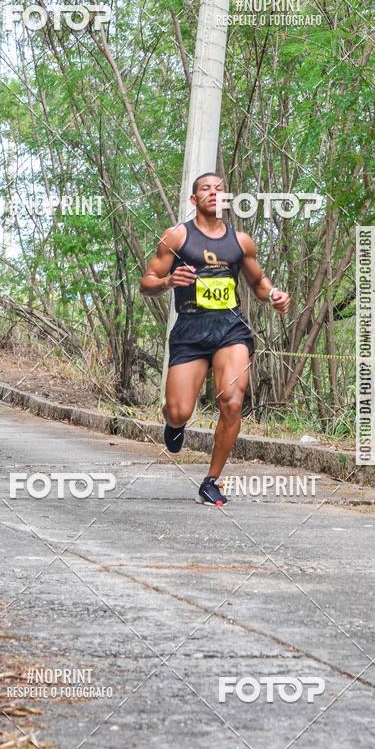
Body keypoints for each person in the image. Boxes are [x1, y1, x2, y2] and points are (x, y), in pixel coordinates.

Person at [140, 173, 290, 506]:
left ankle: (212, 480)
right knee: (179, 411)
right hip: (191, 330)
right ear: (194, 200)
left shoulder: (241, 242)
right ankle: (175, 425)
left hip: (230, 328)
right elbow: (146, 281)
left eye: (220, 189)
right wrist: (168, 281)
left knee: (233, 401)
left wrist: (274, 294)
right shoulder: (177, 237)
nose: (213, 193)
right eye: (206, 188)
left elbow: (258, 282)